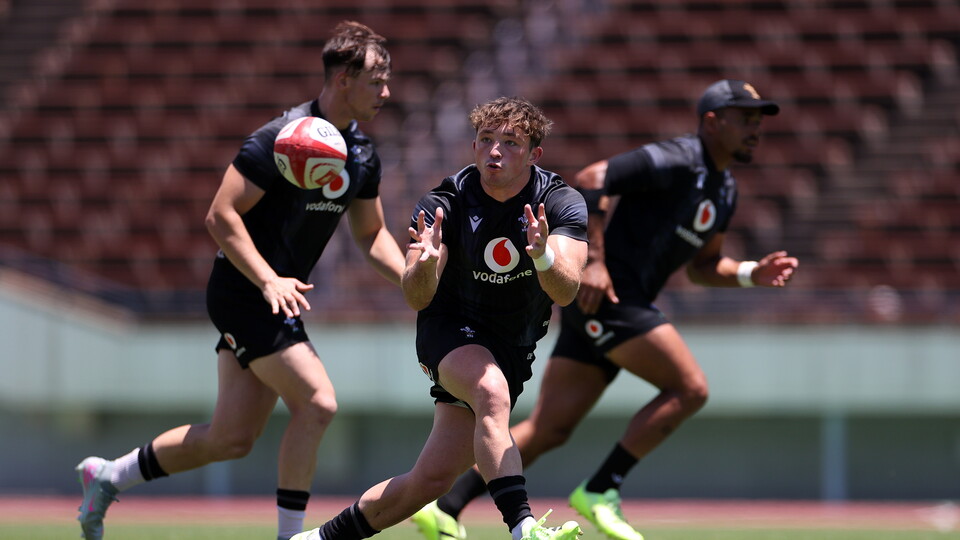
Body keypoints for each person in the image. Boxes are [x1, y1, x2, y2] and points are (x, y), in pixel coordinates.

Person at [412, 79, 800, 540]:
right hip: (610, 298)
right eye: (745, 118)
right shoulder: (679, 158)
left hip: (606, 304)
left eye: (759, 119)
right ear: (713, 122)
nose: (756, 127)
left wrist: (749, 272)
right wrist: (594, 262)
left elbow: (704, 266)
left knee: (550, 428)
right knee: (691, 388)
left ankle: (446, 505)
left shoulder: (724, 190)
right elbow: (595, 176)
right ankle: (601, 488)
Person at [74, 21, 406, 540]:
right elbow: (220, 215)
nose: (387, 92)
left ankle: (108, 475)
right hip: (246, 291)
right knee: (318, 404)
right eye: (377, 80)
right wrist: (270, 279)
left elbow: (372, 235)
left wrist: (412, 278)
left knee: (231, 438)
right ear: (343, 78)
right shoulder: (279, 137)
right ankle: (291, 537)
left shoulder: (362, 154)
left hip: (276, 297)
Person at [289, 96, 589, 540]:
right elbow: (417, 296)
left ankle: (314, 539)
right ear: (473, 145)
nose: (494, 152)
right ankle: (524, 528)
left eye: (509, 142)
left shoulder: (559, 202)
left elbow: (566, 290)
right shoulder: (444, 203)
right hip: (450, 330)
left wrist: (543, 255)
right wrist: (424, 264)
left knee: (428, 482)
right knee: (490, 391)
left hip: (513, 344)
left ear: (534, 154)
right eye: (486, 140)